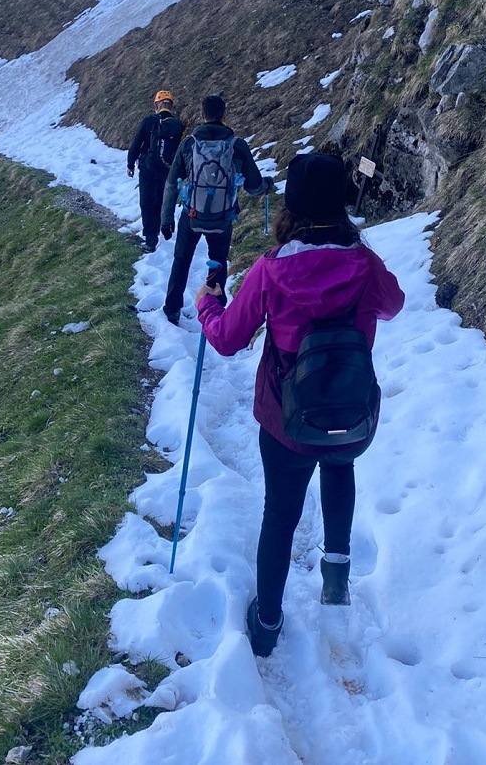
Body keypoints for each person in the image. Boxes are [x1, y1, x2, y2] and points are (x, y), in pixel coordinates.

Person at [195, 151, 405, 657]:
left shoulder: (271, 270)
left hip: (286, 418)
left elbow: (226, 339)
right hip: (351, 412)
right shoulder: (363, 263)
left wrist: (208, 302)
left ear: (292, 206)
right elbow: (394, 304)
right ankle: (335, 582)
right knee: (339, 467)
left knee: (280, 513)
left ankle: (267, 622)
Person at [160, 93, 272, 325]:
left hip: (191, 215)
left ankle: (172, 309)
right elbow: (254, 186)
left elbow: (171, 184)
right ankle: (217, 311)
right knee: (218, 260)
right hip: (222, 218)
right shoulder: (236, 145)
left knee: (181, 260)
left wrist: (166, 219)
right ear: (224, 114)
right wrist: (267, 186)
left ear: (202, 115)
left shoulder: (189, 144)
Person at [127, 90, 185, 253]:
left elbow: (137, 143)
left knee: (146, 203)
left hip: (147, 168)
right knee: (160, 202)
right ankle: (160, 229)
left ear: (156, 105)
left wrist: (130, 163)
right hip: (167, 170)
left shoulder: (149, 121)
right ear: (171, 106)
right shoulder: (178, 125)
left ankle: (150, 239)